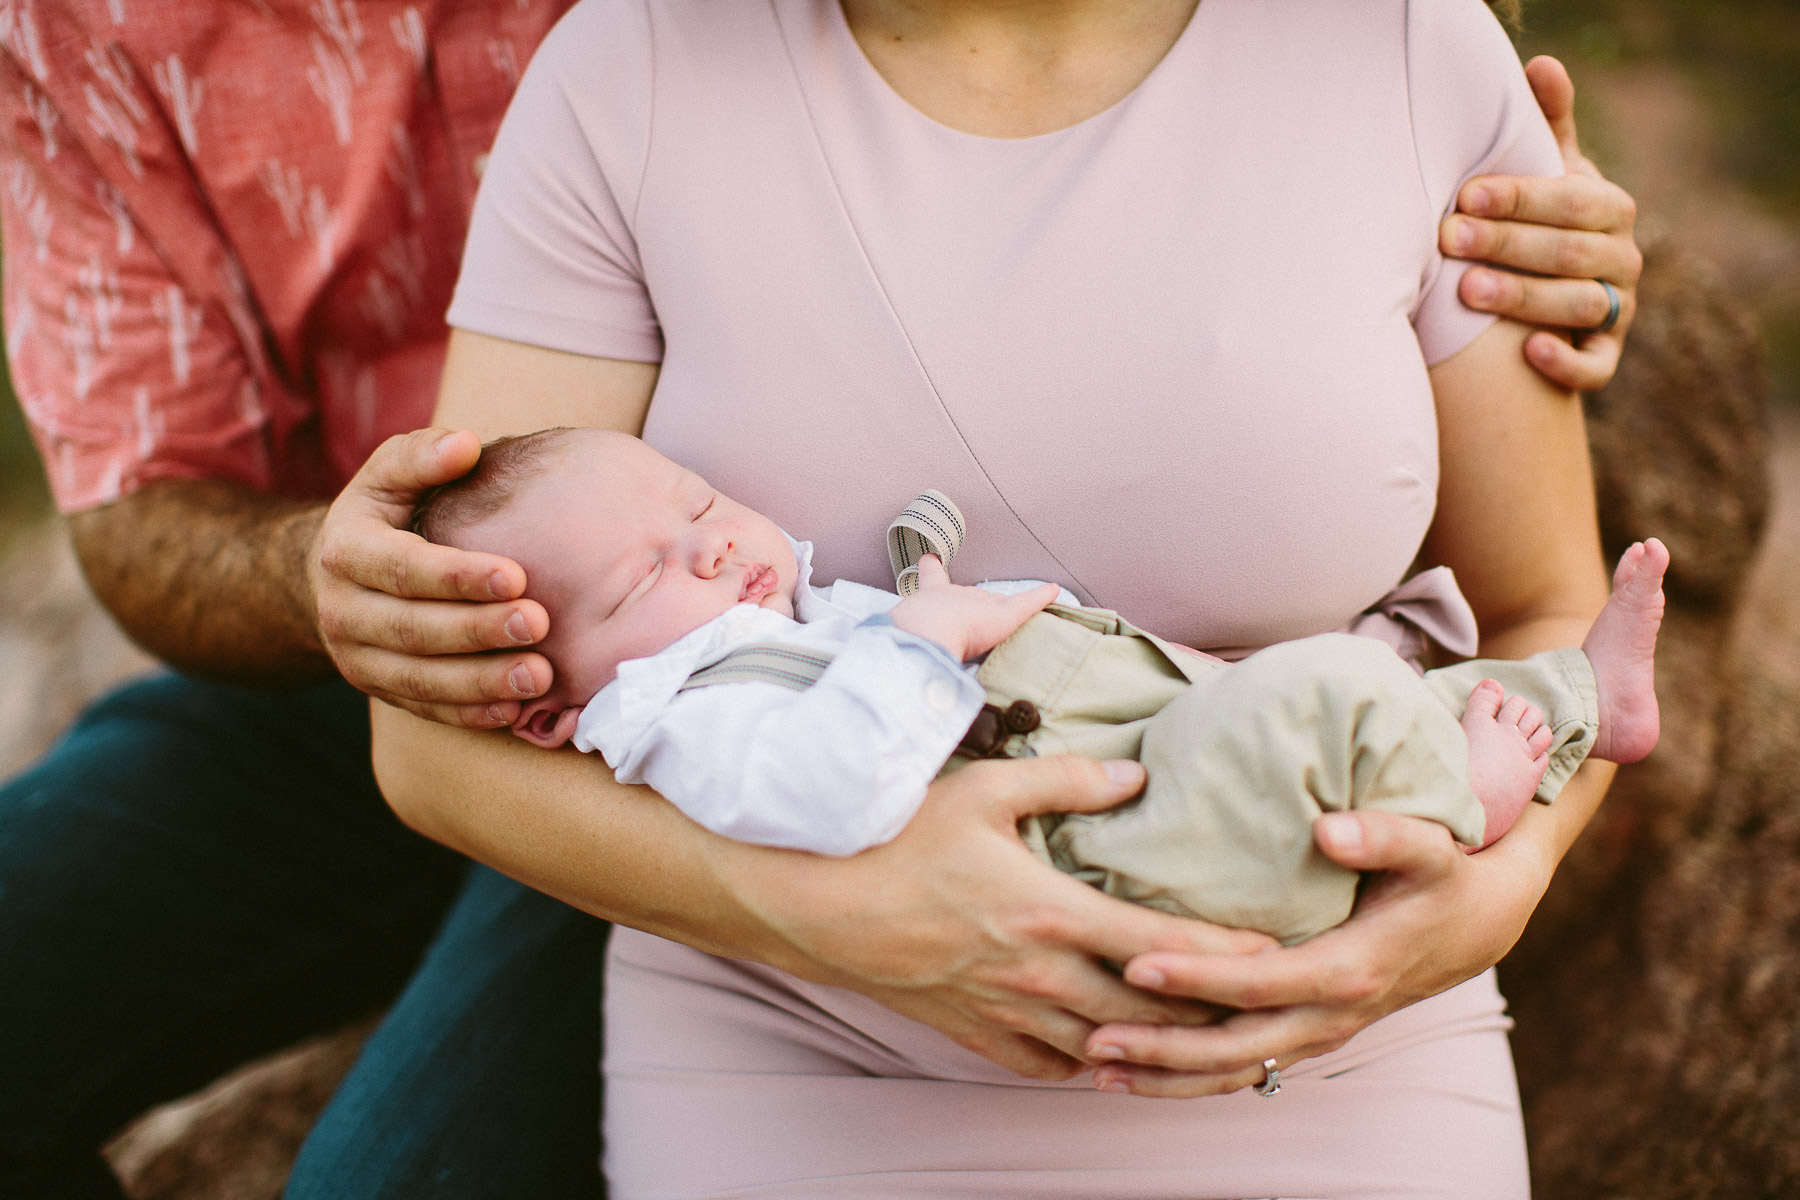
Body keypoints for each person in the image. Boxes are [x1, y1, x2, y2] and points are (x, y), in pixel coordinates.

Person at [0, 0, 1641, 1195]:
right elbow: (159, 520)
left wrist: (1484, 903)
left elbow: (1543, 591)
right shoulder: (612, 76)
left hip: (776, 700)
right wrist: (349, 582)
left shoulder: (1393, 47)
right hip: (580, 721)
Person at [414, 426, 1667, 947]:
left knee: (1337, 687)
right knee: (1321, 698)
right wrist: (928, 634)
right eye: (644, 579)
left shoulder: (771, 619)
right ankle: (1464, 800)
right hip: (1098, 846)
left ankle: (1577, 698)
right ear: (553, 703)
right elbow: (834, 787)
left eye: (695, 505)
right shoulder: (676, 721)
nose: (709, 547)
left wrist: (923, 582)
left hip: (1132, 752)